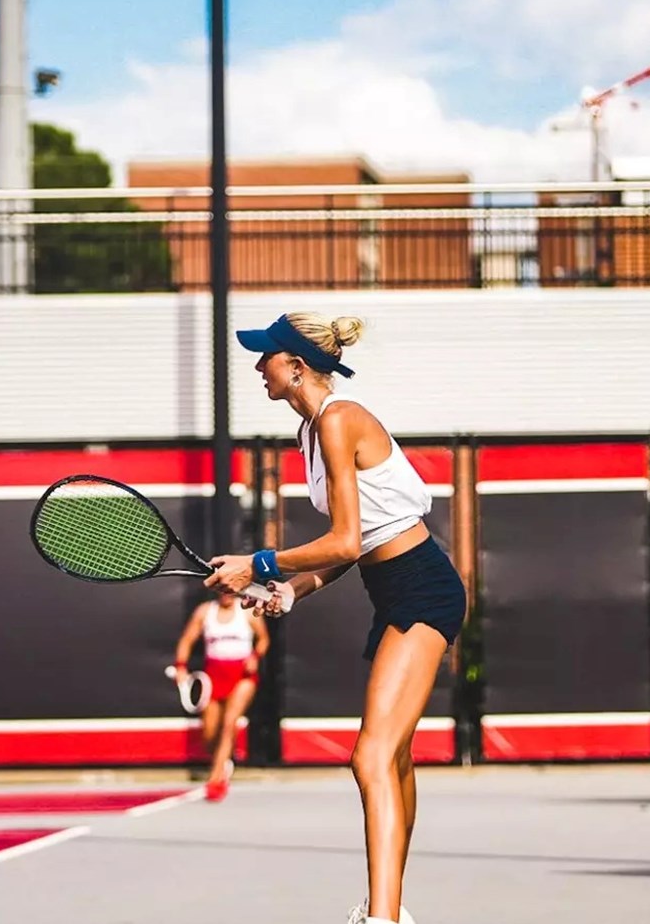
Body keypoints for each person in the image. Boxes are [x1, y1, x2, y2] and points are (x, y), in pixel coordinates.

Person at [207, 312, 460, 924]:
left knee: (369, 757)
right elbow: (358, 543)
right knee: (391, 757)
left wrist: (258, 561)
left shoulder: (340, 420)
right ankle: (391, 909)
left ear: (296, 366)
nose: (256, 367)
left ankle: (384, 918)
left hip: (424, 590)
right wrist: (291, 589)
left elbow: (345, 540)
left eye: (265, 356)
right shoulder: (310, 434)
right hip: (391, 590)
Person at [171, 589, 268, 802]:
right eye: (223, 591)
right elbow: (187, 640)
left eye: (231, 592)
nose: (227, 595)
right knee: (209, 733)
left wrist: (255, 656)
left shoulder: (247, 611)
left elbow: (263, 639)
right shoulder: (205, 612)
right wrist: (180, 666)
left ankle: (216, 780)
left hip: (242, 676)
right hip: (214, 676)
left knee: (229, 723)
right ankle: (224, 761)